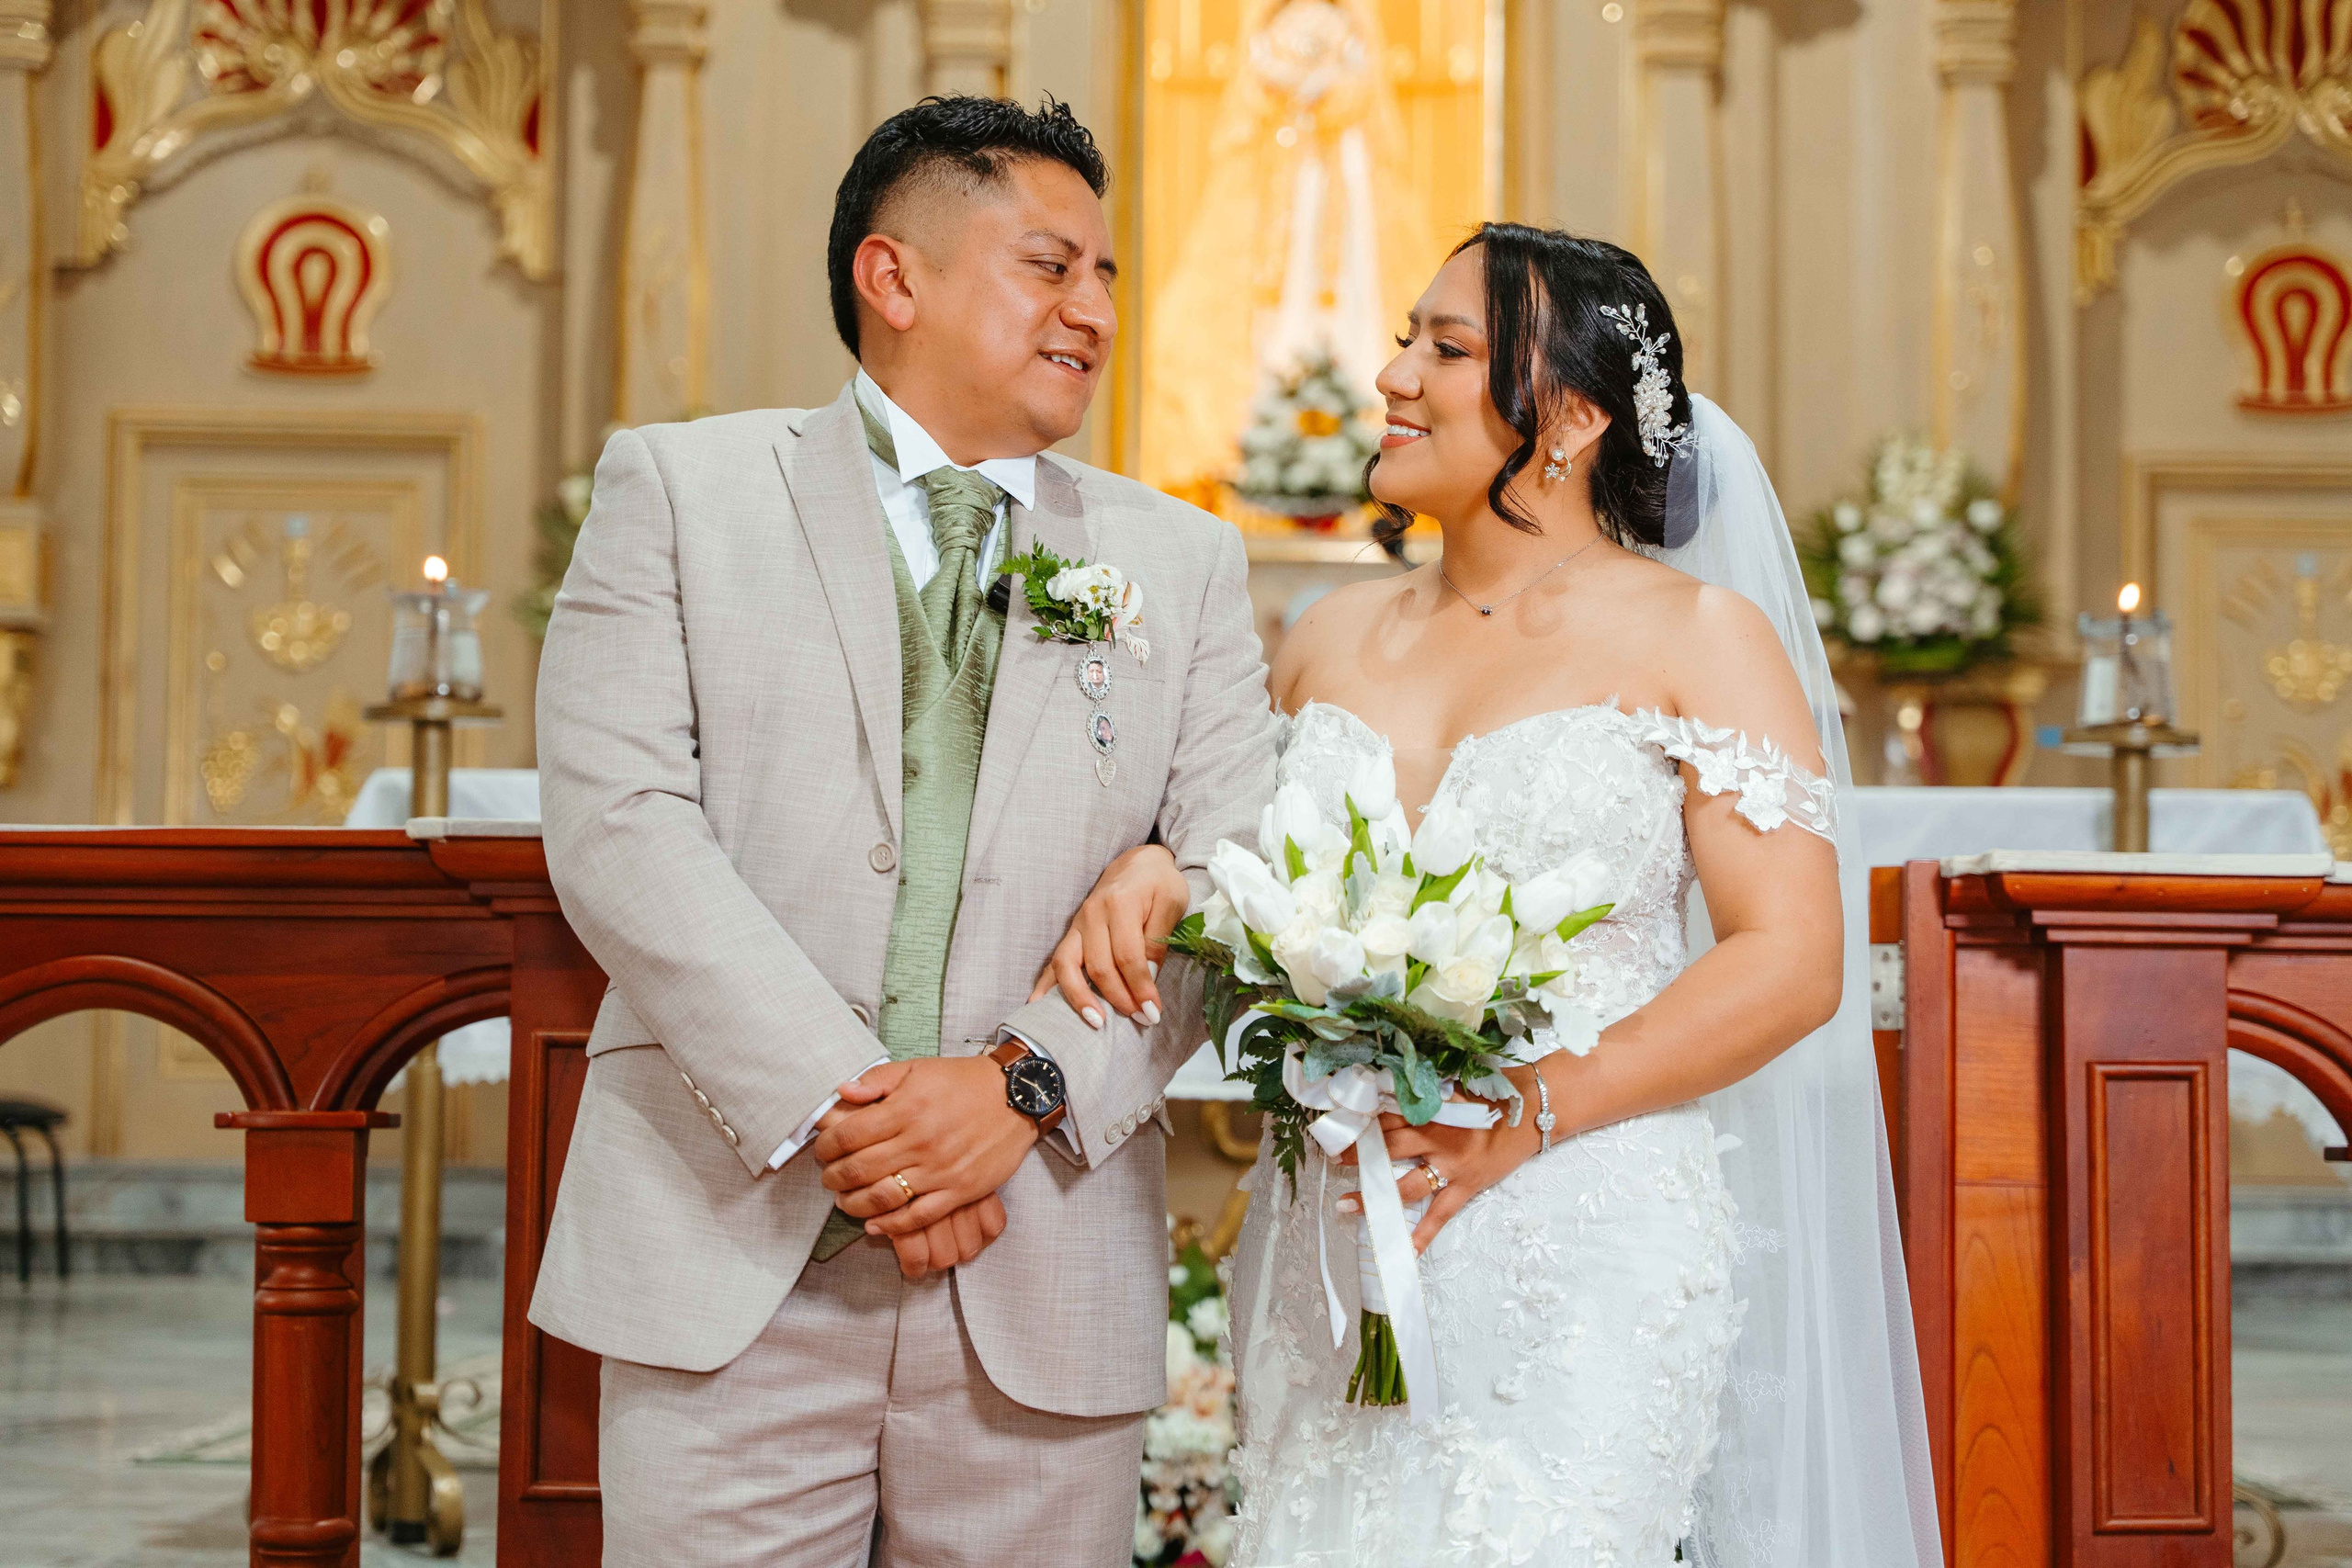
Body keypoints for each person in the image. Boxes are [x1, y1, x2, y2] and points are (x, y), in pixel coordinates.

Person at [1040, 224, 1941, 1567]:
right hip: (1335, 1228)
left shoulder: (1698, 636)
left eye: (1447, 348)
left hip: (1578, 1221)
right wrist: (1151, 864)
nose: (1394, 373)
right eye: (1407, 337)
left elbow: (1793, 958)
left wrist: (1529, 1112)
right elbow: (1219, 859)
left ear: (1572, 415)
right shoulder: (1324, 639)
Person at [528, 96, 1276, 1566]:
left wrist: (1016, 1093)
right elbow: (621, 829)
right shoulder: (681, 493)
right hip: (733, 1243)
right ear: (896, 277)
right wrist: (864, 1116)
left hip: (1034, 1257)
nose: (1093, 311)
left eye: (1109, 277)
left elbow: (1240, 885)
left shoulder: (1175, 563)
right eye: (1052, 266)